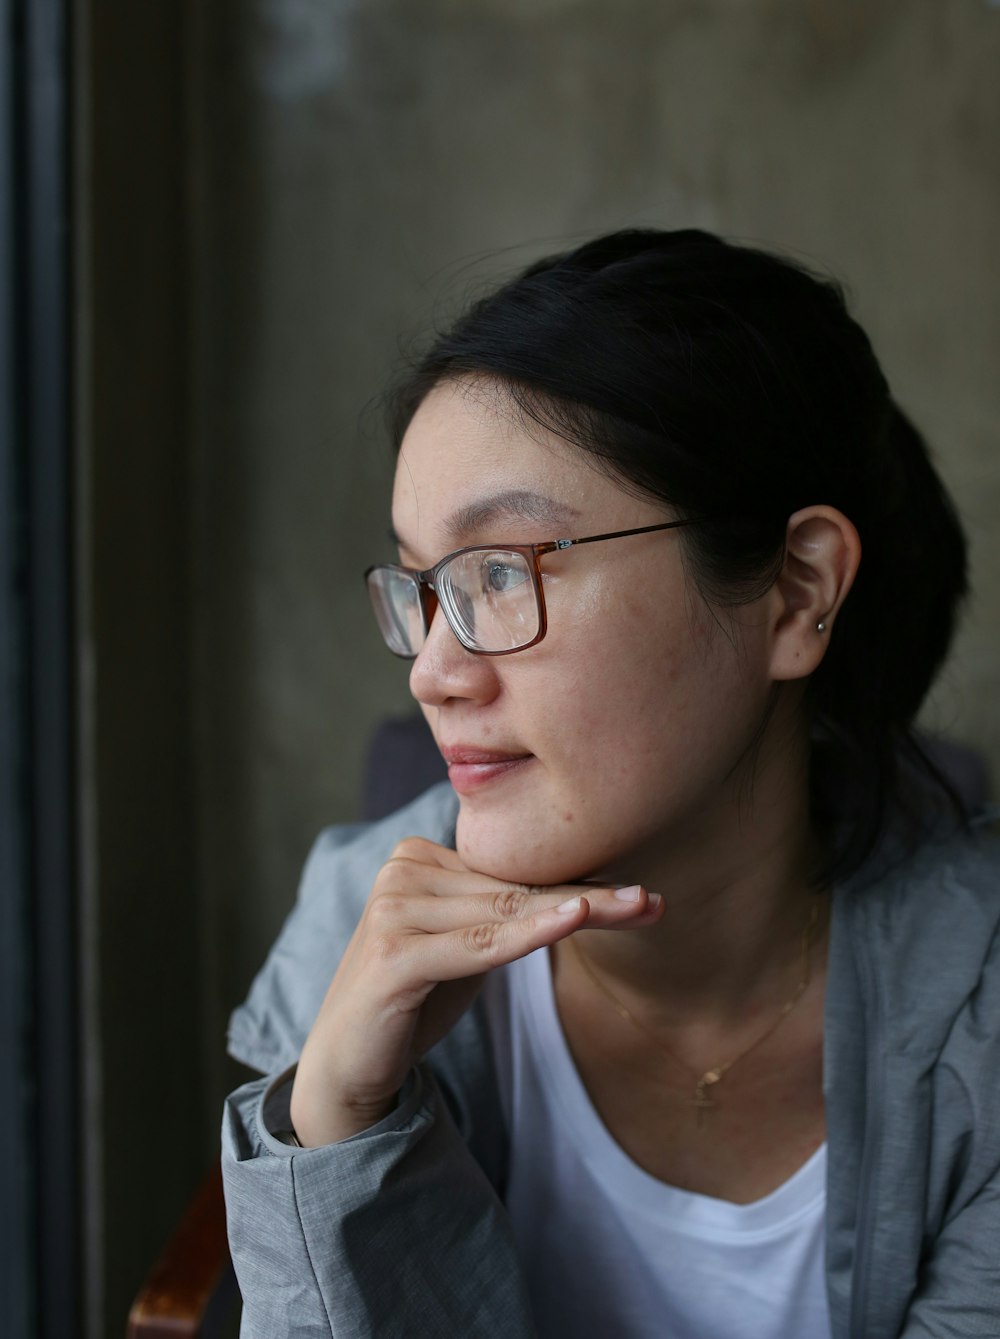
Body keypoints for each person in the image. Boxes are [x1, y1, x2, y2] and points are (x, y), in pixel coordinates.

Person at [221, 229, 999, 1339]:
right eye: (423, 587)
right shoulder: (362, 942)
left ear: (792, 592)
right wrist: (340, 1128)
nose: (434, 671)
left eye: (501, 571)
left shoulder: (978, 1010)